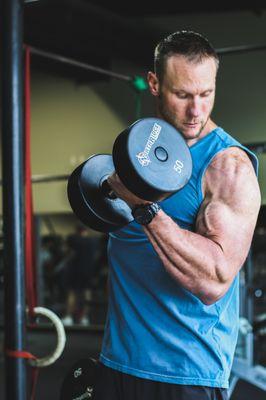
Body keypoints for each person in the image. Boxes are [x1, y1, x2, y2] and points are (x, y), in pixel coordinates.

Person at [96, 31, 261, 399]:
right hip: (117, 362)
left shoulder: (227, 167)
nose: (196, 111)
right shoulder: (138, 152)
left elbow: (214, 281)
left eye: (206, 94)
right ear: (154, 84)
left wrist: (143, 208)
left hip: (185, 375)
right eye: (183, 94)